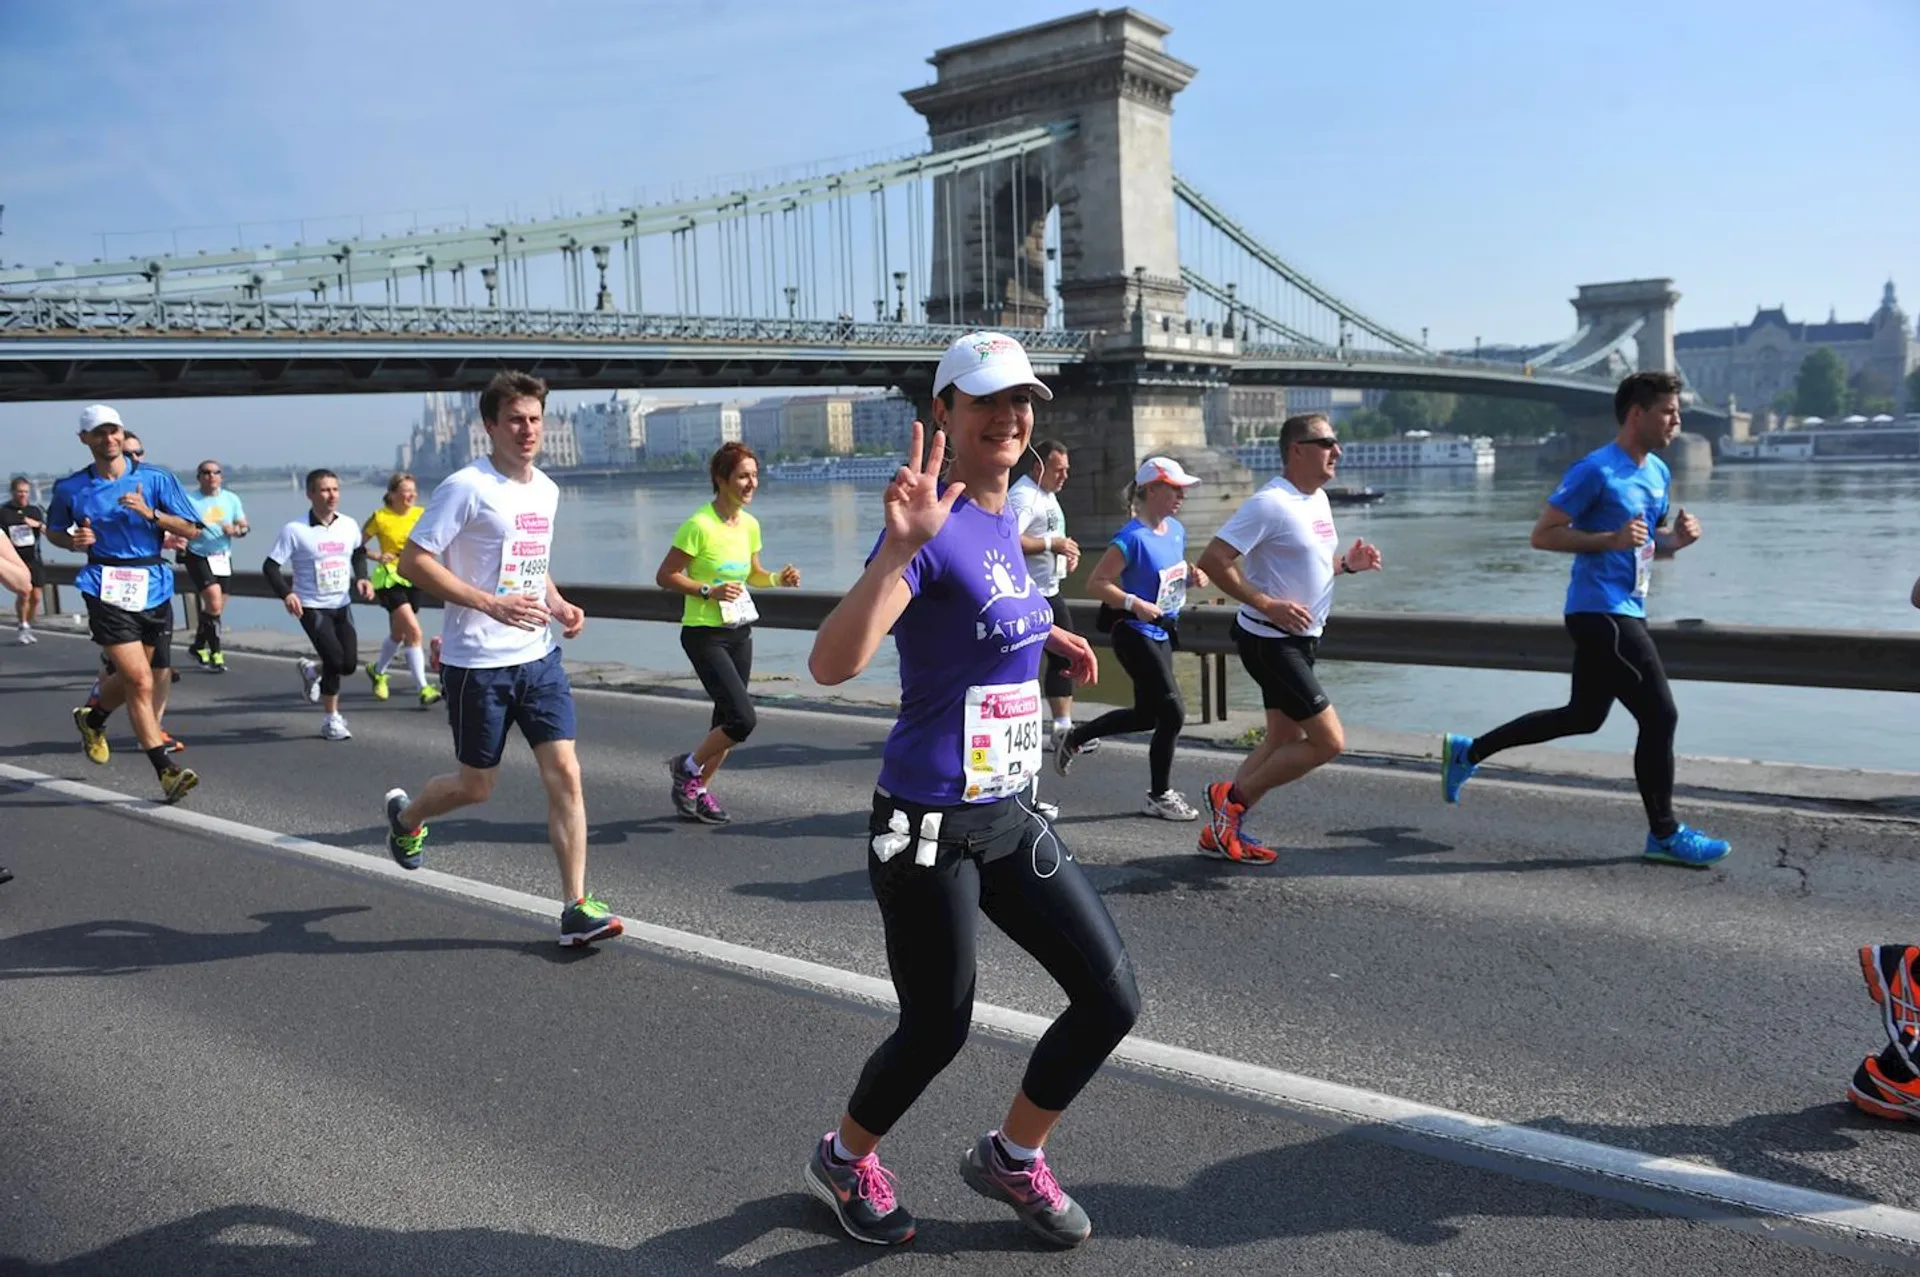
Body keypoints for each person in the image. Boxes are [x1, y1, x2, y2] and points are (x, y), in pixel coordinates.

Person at [802, 332, 1129, 1250]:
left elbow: (989, 618)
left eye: (1021, 400)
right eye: (985, 401)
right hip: (926, 824)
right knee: (938, 1028)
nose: (1009, 417)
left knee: (1111, 998)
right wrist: (890, 554)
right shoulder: (928, 526)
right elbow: (832, 662)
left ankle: (1012, 1156)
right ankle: (844, 1153)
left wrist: (1044, 641)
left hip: (1007, 808)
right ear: (942, 413)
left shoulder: (1001, 521)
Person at [1440, 371, 1730, 868]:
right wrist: (1607, 541)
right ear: (1636, 413)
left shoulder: (1658, 472)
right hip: (1600, 610)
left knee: (1583, 716)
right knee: (1661, 716)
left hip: (1625, 606)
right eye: (1667, 411)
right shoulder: (1595, 470)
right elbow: (1543, 534)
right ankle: (1664, 833)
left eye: (1678, 412)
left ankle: (1468, 752)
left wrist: (1675, 542)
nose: (1677, 421)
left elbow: (1645, 543)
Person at [381, 370, 622, 947]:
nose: (528, 429)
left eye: (535, 419)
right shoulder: (466, 486)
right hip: (477, 663)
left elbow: (532, 566)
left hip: (538, 657)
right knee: (476, 786)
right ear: (489, 425)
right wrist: (488, 603)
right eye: (515, 419)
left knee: (566, 773)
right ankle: (407, 819)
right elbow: (414, 562)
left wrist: (560, 604)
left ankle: (575, 908)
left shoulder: (547, 489)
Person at [1194, 413, 1383, 863]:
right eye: (1327, 443)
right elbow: (1214, 560)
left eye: (1336, 443)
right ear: (1297, 449)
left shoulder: (1316, 499)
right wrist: (1266, 604)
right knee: (1328, 742)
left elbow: (1305, 567)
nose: (1337, 451)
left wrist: (1346, 565)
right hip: (1270, 640)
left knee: (1280, 737)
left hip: (1301, 639)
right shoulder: (1270, 503)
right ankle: (1229, 802)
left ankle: (1220, 833)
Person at [45, 405, 202, 803]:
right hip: (104, 583)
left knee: (135, 676)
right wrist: (72, 541)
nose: (108, 438)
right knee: (140, 680)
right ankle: (165, 771)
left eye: (113, 430)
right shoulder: (71, 488)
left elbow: (193, 529)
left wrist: (152, 515)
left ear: (121, 433)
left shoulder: (155, 478)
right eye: (98, 433)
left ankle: (93, 717)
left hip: (153, 583)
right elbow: (54, 531)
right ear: (85, 439)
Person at [1053, 457, 1210, 821]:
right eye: (1175, 489)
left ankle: (1075, 737)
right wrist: (1133, 603)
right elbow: (1096, 584)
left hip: (1163, 631)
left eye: (1183, 491)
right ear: (1152, 489)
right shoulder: (1130, 538)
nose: (1181, 497)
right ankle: (1159, 794)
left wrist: (1191, 577)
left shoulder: (1175, 531)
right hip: (1132, 632)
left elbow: (1169, 575)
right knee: (1173, 713)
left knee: (1146, 716)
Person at [655, 441, 799, 825]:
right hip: (704, 634)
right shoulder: (699, 525)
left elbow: (752, 574)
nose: (752, 482)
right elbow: (665, 575)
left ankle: (698, 789)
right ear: (721, 480)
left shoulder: (749, 525)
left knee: (724, 722)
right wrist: (707, 590)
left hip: (739, 631)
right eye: (742, 476)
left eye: (754, 475)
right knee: (742, 719)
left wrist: (777, 579)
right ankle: (687, 767)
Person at [265, 470, 373, 740]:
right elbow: (270, 567)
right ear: (310, 495)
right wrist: (287, 594)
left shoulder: (348, 525)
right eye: (324, 490)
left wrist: (362, 578)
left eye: (335, 489)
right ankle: (331, 719)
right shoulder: (295, 530)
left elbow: (359, 552)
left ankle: (312, 670)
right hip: (311, 605)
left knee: (348, 664)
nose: (331, 495)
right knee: (335, 661)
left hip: (341, 602)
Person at [1007, 442, 1090, 752]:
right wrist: (1050, 545)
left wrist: (1068, 553)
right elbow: (1007, 540)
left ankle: (1062, 730)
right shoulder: (1024, 496)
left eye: (1067, 469)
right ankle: (1015, 728)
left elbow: (1053, 537)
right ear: (1039, 468)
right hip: (1027, 596)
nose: (1065, 476)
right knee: (1023, 663)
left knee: (1064, 657)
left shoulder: (1046, 494)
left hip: (1050, 590)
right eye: (1059, 469)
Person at [361, 472, 442, 707]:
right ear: (392, 494)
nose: (412, 495)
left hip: (413, 577)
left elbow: (437, 539)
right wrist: (377, 555)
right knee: (414, 632)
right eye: (407, 490)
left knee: (399, 634)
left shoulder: (421, 515)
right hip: (389, 579)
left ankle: (377, 670)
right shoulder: (380, 517)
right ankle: (423, 688)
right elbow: (355, 545)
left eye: (414, 491)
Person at [182, 457, 248, 671]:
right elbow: (178, 525)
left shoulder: (231, 499)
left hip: (222, 557)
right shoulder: (190, 500)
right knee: (214, 604)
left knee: (215, 609)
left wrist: (237, 531)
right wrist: (190, 530)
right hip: (198, 555)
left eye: (215, 472)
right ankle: (216, 652)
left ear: (221, 476)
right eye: (206, 472)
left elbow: (244, 526)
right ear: (199, 477)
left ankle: (198, 645)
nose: (211, 476)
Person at [2, 476, 47, 643]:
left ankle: (28, 623)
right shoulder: (4, 511)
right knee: (24, 593)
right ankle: (22, 625)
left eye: (26, 492)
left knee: (36, 597)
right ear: (13, 492)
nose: (23, 495)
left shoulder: (35, 510)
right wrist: (23, 521)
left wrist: (39, 525)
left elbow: (46, 529)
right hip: (14, 560)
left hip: (34, 557)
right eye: (20, 492)